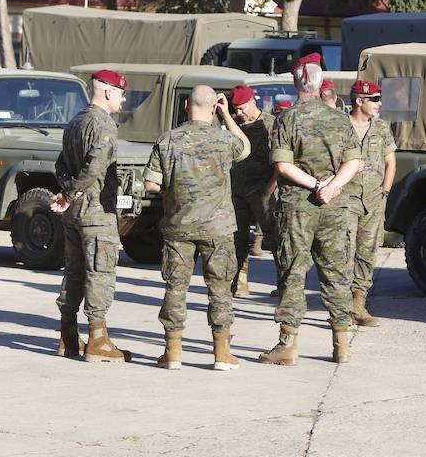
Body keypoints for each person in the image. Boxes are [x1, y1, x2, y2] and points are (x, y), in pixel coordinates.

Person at [260, 53, 362, 366]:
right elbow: (354, 162)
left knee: (293, 272)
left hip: (299, 208)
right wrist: (331, 187)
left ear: (295, 82)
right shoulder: (339, 118)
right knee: (336, 273)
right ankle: (341, 345)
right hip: (334, 207)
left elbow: (283, 165)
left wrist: (316, 186)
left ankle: (288, 344)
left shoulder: (287, 119)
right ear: (319, 84)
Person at [144, 85, 250, 371]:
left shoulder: (168, 141)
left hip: (179, 228)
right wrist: (228, 116)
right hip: (218, 230)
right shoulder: (224, 140)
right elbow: (246, 148)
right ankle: (221, 354)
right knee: (220, 290)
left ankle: (173, 353)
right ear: (213, 108)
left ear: (186, 107)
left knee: (175, 288)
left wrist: (175, 190)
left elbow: (151, 183)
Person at [52, 69, 132, 362]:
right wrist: (71, 193)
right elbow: (96, 167)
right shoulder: (104, 124)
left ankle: (68, 337)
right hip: (96, 212)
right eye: (122, 94)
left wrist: (65, 193)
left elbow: (60, 164)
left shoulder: (76, 121)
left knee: (73, 272)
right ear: (109, 92)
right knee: (100, 273)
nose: (124, 101)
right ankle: (98, 341)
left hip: (74, 213)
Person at [345, 80, 396, 327]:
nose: (379, 104)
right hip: (345, 200)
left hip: (373, 201)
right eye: (374, 99)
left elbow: (391, 161)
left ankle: (358, 305)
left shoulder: (382, 128)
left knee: (367, 252)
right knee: (343, 253)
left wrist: (385, 192)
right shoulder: (341, 127)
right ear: (359, 101)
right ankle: (341, 307)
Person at [229, 84, 278, 297]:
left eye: (242, 108)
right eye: (236, 110)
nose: (240, 114)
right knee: (237, 239)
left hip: (263, 189)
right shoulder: (232, 124)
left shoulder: (271, 124)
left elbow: (281, 157)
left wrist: (272, 185)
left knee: (275, 238)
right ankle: (239, 281)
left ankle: (285, 284)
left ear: (252, 102)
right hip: (238, 189)